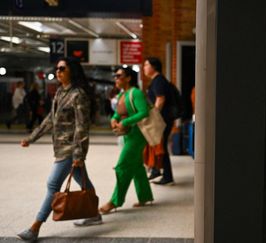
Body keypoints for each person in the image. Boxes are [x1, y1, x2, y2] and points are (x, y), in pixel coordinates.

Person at [17, 57, 101, 242]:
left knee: (53, 185)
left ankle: (35, 227)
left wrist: (79, 154)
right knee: (83, 182)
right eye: (57, 68)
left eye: (62, 68)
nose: (58, 71)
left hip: (70, 148)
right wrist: (31, 138)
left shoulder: (78, 94)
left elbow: (82, 126)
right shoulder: (61, 93)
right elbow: (50, 119)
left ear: (72, 70)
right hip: (61, 146)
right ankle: (94, 214)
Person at [99, 67, 154, 214]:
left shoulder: (136, 93)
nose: (116, 78)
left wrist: (126, 122)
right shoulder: (123, 94)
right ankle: (145, 196)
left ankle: (115, 201)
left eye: (119, 76)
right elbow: (118, 113)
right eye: (115, 76)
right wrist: (114, 119)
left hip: (138, 135)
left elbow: (144, 112)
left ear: (129, 78)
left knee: (122, 166)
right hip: (128, 135)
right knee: (136, 167)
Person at [144, 57, 175, 185]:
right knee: (156, 145)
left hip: (163, 119)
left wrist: (153, 116)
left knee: (161, 147)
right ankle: (156, 169)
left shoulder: (158, 81)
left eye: (146, 65)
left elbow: (160, 99)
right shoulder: (158, 80)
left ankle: (167, 177)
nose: (144, 68)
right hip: (163, 118)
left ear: (154, 67)